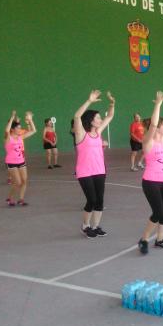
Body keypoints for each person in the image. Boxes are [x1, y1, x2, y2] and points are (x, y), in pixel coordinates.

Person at [138, 91, 163, 255]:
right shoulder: (147, 142)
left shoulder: (162, 140)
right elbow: (153, 125)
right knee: (158, 212)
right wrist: (158, 104)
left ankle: (160, 240)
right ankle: (144, 239)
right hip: (150, 182)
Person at [73, 90, 115, 239]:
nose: (100, 119)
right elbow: (77, 116)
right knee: (91, 199)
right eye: (97, 117)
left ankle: (95, 226)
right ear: (91, 120)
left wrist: (112, 103)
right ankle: (85, 226)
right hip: (85, 172)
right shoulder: (81, 134)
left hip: (99, 170)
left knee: (100, 200)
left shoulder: (98, 132)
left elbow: (110, 116)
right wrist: (89, 101)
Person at [4, 111, 36, 206]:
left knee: (24, 181)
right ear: (13, 129)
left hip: (21, 161)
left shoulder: (20, 137)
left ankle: (21, 199)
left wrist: (30, 120)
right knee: (17, 182)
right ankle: (9, 198)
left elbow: (33, 131)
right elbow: (7, 130)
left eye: (20, 127)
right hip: (11, 162)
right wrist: (12, 117)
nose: (20, 129)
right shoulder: (8, 138)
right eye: (18, 128)